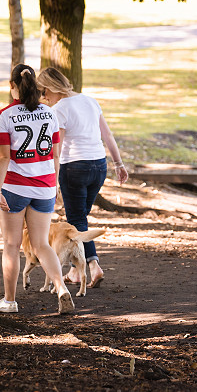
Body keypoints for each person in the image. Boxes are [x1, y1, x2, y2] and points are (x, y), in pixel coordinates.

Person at [0, 64, 74, 314]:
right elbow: (55, 154)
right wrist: (55, 184)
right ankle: (61, 288)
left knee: (11, 245)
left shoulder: (3, 116)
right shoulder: (50, 114)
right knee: (41, 244)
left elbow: (3, 158)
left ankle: (9, 301)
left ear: (12, 86)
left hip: (15, 189)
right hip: (45, 187)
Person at [36, 67, 129, 289]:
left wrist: (53, 180)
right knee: (80, 218)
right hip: (99, 167)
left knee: (77, 220)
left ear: (49, 88)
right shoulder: (89, 100)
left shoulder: (58, 109)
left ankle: (93, 265)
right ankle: (76, 271)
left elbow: (56, 150)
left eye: (42, 91)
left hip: (74, 168)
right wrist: (119, 164)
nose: (42, 97)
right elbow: (107, 135)